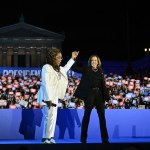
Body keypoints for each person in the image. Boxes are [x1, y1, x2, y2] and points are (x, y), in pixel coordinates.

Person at [37, 48, 78, 144]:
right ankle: (45, 138)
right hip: (48, 97)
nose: (60, 59)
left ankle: (50, 137)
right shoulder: (46, 67)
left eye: (61, 57)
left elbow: (66, 68)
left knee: (53, 117)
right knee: (48, 117)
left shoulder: (58, 69)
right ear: (53, 58)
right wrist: (48, 99)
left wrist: (72, 58)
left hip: (55, 96)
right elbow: (45, 83)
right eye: (58, 57)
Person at [72, 53, 110, 144]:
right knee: (86, 117)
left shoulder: (101, 71)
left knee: (102, 118)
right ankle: (83, 139)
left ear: (98, 62)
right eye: (92, 60)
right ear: (90, 62)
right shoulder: (86, 69)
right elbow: (75, 68)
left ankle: (105, 139)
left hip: (100, 96)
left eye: (95, 60)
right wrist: (73, 58)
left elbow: (103, 85)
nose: (94, 62)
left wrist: (107, 96)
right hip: (90, 95)